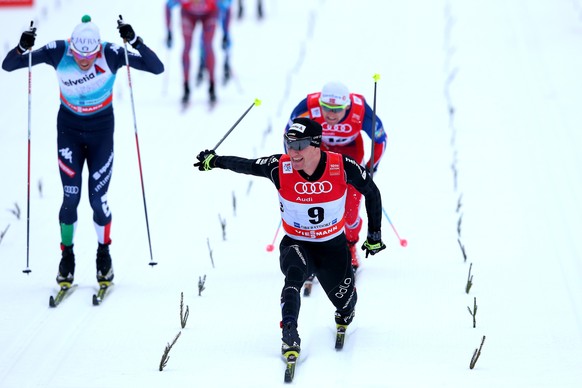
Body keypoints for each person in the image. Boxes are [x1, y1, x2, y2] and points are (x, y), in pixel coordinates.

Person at [194, 117, 386, 358]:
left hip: (332, 246)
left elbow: (372, 192)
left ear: (317, 145)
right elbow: (247, 165)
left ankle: (345, 313)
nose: (292, 152)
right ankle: (290, 333)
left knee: (346, 303)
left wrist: (374, 235)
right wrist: (215, 161)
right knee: (293, 276)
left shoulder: (342, 165)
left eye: (300, 145)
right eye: (289, 144)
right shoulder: (279, 166)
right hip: (297, 242)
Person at [2, 15, 164, 288]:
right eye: (78, 55)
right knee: (70, 198)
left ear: (97, 48)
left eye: (89, 55)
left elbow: (156, 67)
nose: (84, 61)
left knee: (98, 199)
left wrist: (135, 41)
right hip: (69, 132)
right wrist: (21, 47)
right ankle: (67, 256)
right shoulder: (58, 51)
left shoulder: (111, 53)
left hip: (101, 134)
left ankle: (104, 253)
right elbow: (9, 65)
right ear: (72, 47)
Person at [285, 81, 387, 273]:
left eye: (337, 109)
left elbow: (380, 140)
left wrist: (370, 167)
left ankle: (350, 246)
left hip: (351, 152)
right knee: (313, 199)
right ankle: (312, 246)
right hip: (319, 151)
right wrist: (296, 163)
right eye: (326, 108)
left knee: (351, 207)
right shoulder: (308, 107)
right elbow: (288, 135)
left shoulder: (361, 112)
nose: (331, 114)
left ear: (346, 106)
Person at [165, 0, 219, 105]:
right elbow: (168, 6)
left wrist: (226, 33)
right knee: (187, 46)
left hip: (209, 14)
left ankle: (212, 86)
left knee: (208, 45)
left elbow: (227, 5)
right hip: (188, 14)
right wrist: (168, 31)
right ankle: (186, 87)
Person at [196, 0, 233, 86]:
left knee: (226, 34)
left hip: (220, 8)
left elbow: (228, 7)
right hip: (210, 9)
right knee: (205, 37)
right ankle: (202, 61)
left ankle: (226, 61)